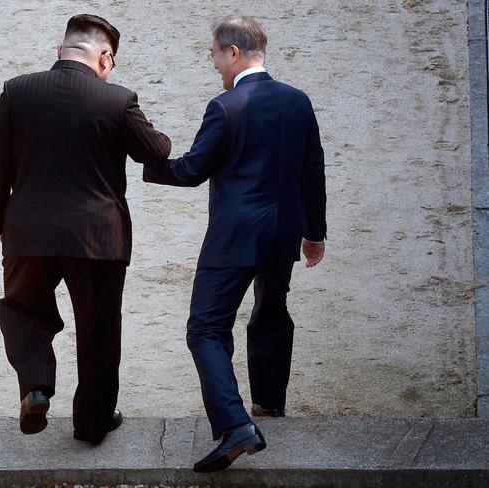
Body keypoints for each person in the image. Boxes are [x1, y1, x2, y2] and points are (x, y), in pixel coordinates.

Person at [143, 15, 326, 472]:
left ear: (234, 52)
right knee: (271, 309)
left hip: (234, 235)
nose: (215, 64)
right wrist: (314, 233)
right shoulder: (298, 101)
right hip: (283, 230)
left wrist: (149, 160)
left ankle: (235, 424)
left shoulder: (225, 106)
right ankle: (268, 402)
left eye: (215, 55)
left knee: (205, 328)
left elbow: (191, 170)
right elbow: (313, 171)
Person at [0, 14, 171, 445]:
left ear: (59, 51)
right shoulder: (116, 101)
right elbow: (154, 150)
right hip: (98, 238)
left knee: (22, 310)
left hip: (28, 234)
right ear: (105, 58)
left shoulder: (16, 91)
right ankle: (92, 423)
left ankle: (36, 386)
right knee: (99, 331)